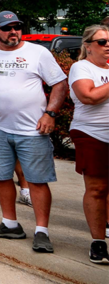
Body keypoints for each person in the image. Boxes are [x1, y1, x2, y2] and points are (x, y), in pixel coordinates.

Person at [0, 11, 69, 253]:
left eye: (17, 27)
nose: (13, 31)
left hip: (32, 130)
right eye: (7, 28)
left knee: (36, 181)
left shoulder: (38, 53)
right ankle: (10, 224)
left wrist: (50, 113)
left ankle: (42, 231)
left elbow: (59, 83)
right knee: (1, 177)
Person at [68, 24, 109, 264]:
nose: (107, 46)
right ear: (88, 46)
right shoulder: (80, 67)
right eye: (102, 42)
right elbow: (89, 96)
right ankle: (98, 243)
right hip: (92, 133)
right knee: (98, 188)